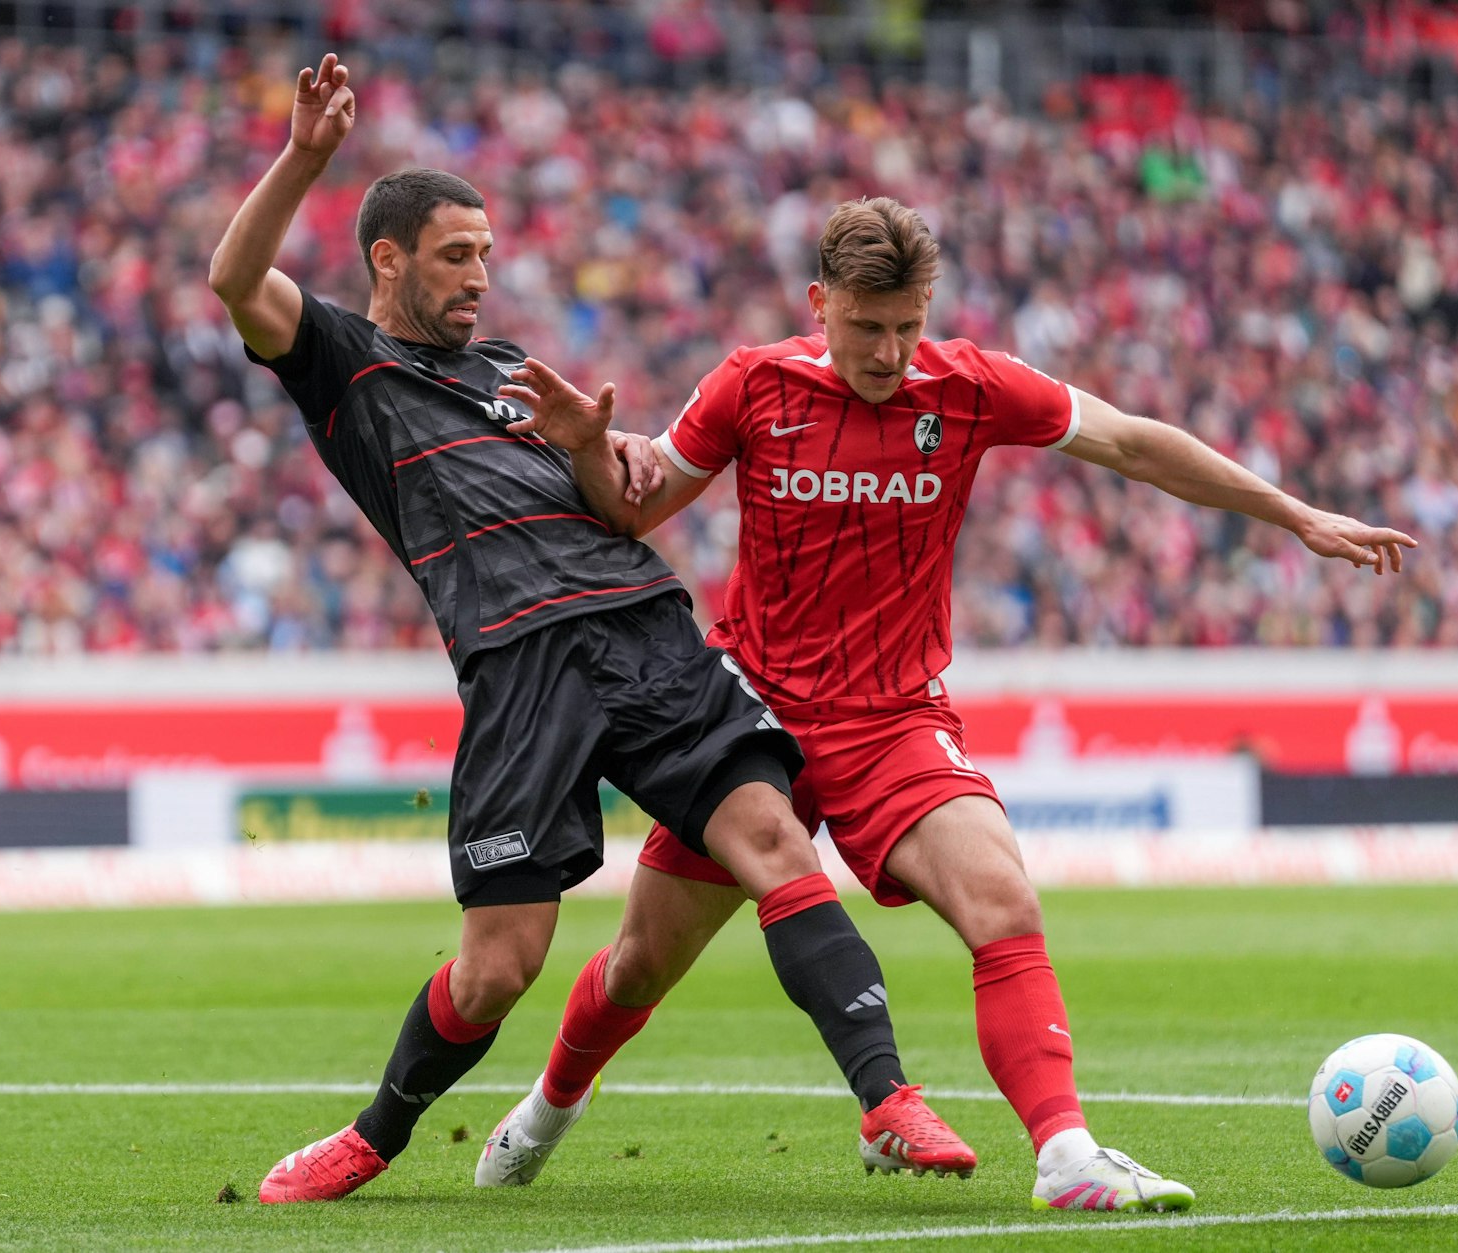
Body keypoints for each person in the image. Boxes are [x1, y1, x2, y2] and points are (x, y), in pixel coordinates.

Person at [478, 196, 1420, 1212]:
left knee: (1002, 901)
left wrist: (1292, 513)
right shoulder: (752, 383)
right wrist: (585, 446)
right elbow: (637, 503)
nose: (887, 351)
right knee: (636, 966)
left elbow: (1130, 441)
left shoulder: (968, 386)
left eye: (905, 326)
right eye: (865, 326)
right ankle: (546, 1107)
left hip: (894, 719)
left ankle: (1065, 1154)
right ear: (819, 303)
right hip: (751, 722)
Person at [209, 57, 976, 1205]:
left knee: (773, 838)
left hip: (646, 627)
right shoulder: (343, 363)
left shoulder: (518, 370)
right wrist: (307, 158)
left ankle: (887, 1097)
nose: (481, 274)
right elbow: (233, 278)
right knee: (495, 969)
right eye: (455, 255)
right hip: (519, 668)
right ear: (388, 258)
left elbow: (615, 504)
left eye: (486, 253)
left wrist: (581, 442)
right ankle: (374, 1133)